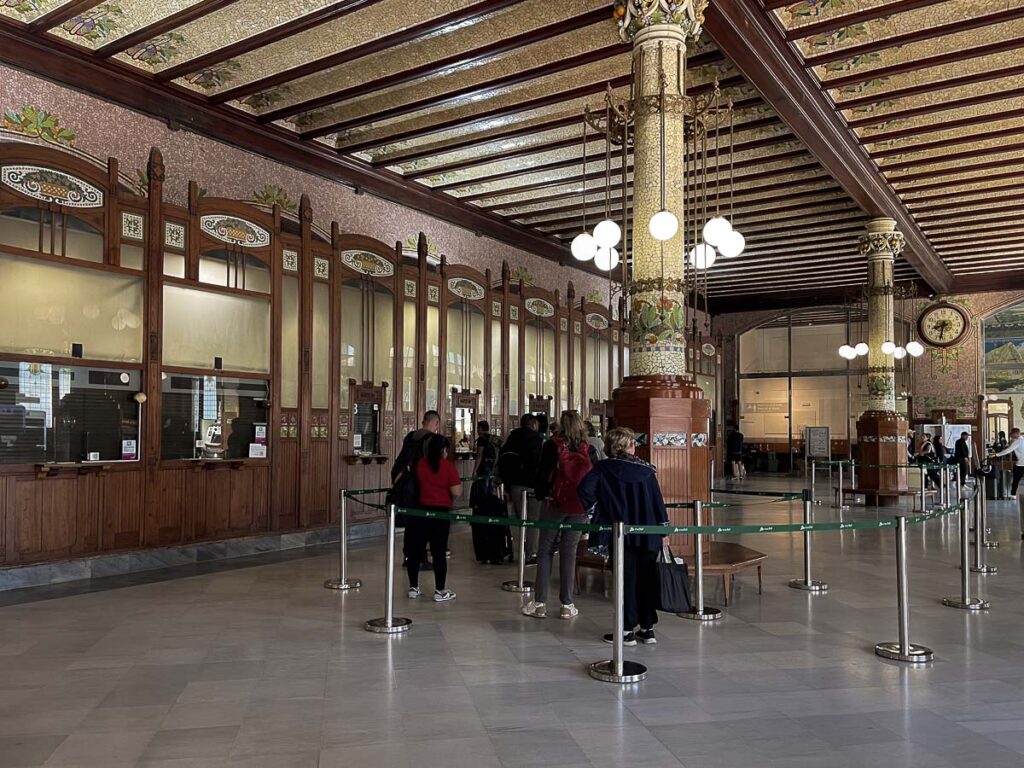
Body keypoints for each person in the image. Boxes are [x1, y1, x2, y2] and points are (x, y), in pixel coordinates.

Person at [578, 427, 668, 646]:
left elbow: (584, 490)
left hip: (620, 535)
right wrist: (663, 532)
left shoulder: (602, 468)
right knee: (647, 579)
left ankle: (626, 630)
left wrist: (598, 512)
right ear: (629, 445)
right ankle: (647, 629)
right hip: (648, 535)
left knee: (625, 581)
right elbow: (658, 503)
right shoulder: (646, 471)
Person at [521, 410, 600, 620]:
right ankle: (567, 604)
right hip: (579, 508)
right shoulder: (589, 449)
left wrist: (541, 494)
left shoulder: (551, 446)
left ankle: (540, 603)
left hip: (553, 504)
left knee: (545, 550)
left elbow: (541, 475)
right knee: (569, 552)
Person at [406, 434, 460, 602]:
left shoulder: (420, 464)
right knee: (438, 553)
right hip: (440, 514)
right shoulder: (448, 467)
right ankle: (440, 590)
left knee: (415, 551)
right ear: (444, 450)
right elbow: (456, 491)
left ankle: (413, 588)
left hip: (419, 513)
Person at [392, 411, 441, 569]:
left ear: (423, 421)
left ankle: (408, 557)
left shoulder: (410, 437)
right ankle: (420, 558)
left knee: (410, 523)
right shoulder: (431, 439)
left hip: (405, 484)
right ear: (435, 423)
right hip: (421, 486)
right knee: (423, 523)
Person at [497, 414, 544, 562]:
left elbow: (503, 460)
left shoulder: (511, 439)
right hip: (532, 486)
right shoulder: (537, 440)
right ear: (534, 424)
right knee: (533, 521)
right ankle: (531, 554)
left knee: (521, 520)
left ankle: (522, 550)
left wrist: (507, 485)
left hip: (515, 485)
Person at [990, 427, 1024, 494]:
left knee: (1016, 480)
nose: (1010, 435)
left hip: (1021, 464)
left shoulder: (1018, 441)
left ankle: (1013, 494)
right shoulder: (1022, 440)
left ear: (1016, 433)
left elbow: (1008, 450)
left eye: (1012, 434)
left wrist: (996, 455)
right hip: (1021, 463)